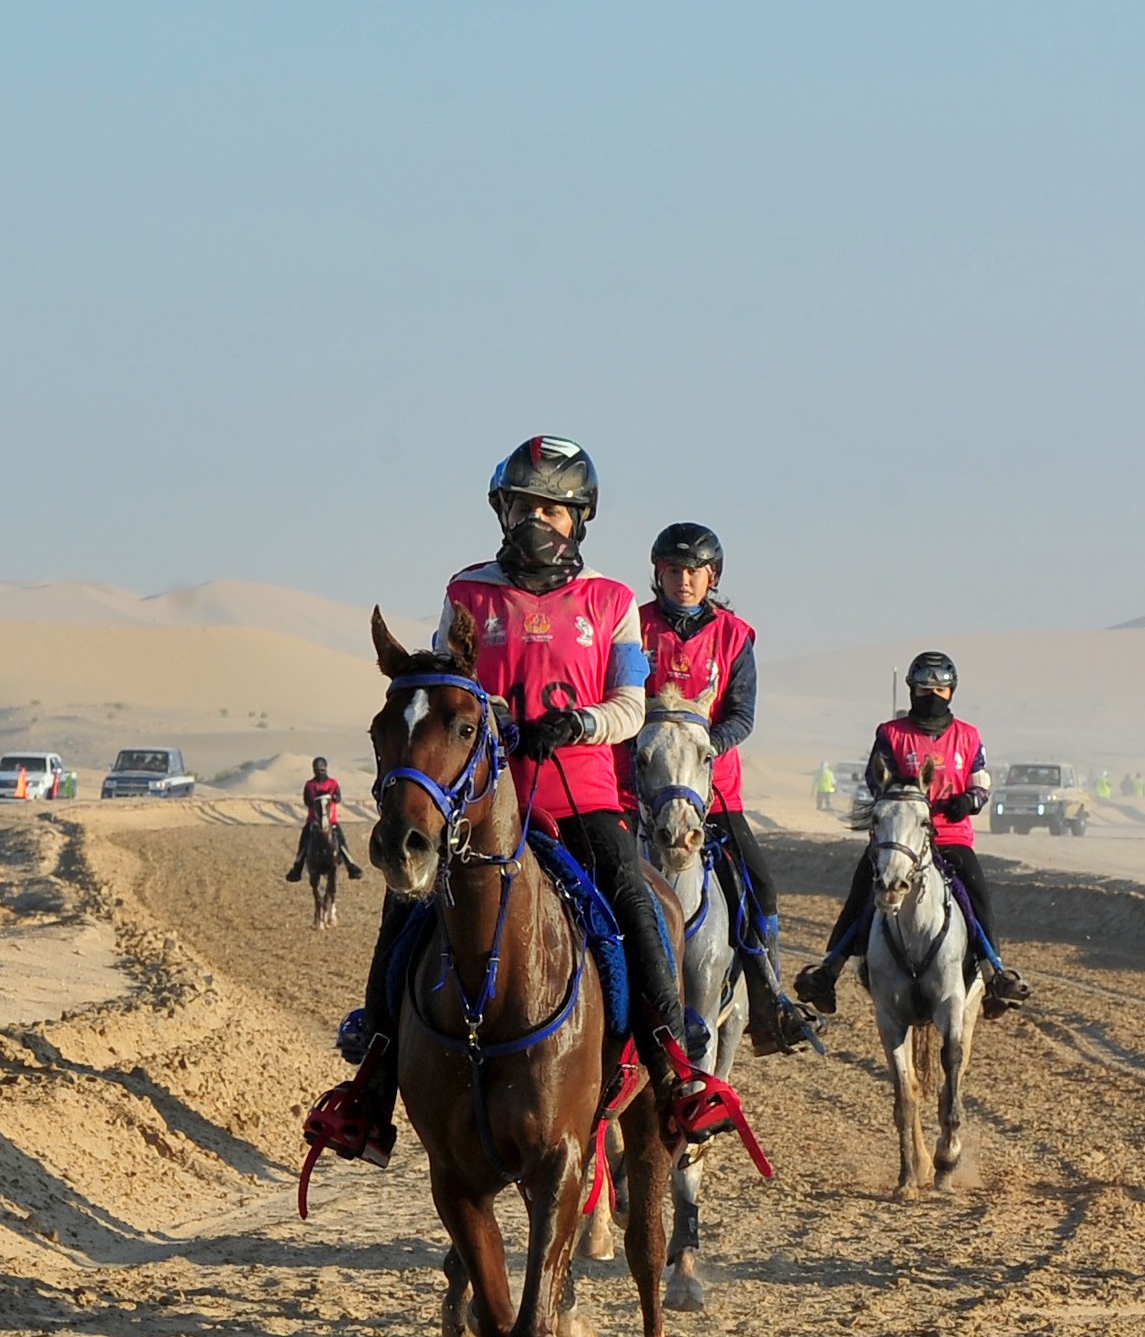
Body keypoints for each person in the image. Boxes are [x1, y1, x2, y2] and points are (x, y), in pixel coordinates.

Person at [302, 436, 751, 1168]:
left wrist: (581, 722)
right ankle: (373, 1088)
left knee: (634, 906)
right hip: (481, 799)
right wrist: (481, 719)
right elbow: (444, 686)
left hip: (581, 791)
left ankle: (673, 1071)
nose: (537, 520)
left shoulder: (611, 604)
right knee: (406, 913)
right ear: (501, 509)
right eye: (524, 505)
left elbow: (632, 706)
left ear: (580, 518)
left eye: (554, 508)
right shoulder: (465, 592)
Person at [628, 521, 815, 1054]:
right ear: (657, 574)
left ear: (712, 576)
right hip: (639, 787)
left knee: (759, 887)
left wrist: (704, 741)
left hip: (714, 791)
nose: (683, 580)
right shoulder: (632, 628)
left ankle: (770, 1000)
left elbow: (742, 715)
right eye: (672, 570)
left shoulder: (736, 636)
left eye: (694, 571)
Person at [792, 652, 1034, 1015]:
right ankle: (829, 970)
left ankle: (994, 973)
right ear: (911, 691)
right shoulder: (890, 733)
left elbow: (980, 780)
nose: (932, 695)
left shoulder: (968, 736)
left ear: (952, 692)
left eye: (940, 688)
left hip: (950, 835)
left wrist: (969, 800)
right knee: (861, 893)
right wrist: (906, 797)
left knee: (977, 896)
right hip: (900, 839)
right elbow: (877, 778)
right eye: (923, 688)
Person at [284, 756, 362, 882]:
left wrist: (331, 796)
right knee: (303, 842)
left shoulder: (333, 783)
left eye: (321, 770)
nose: (319, 773)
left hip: (332, 821)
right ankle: (297, 867)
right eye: (317, 770)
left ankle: (350, 865)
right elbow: (308, 801)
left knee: (341, 841)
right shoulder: (309, 785)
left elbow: (338, 798)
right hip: (313, 821)